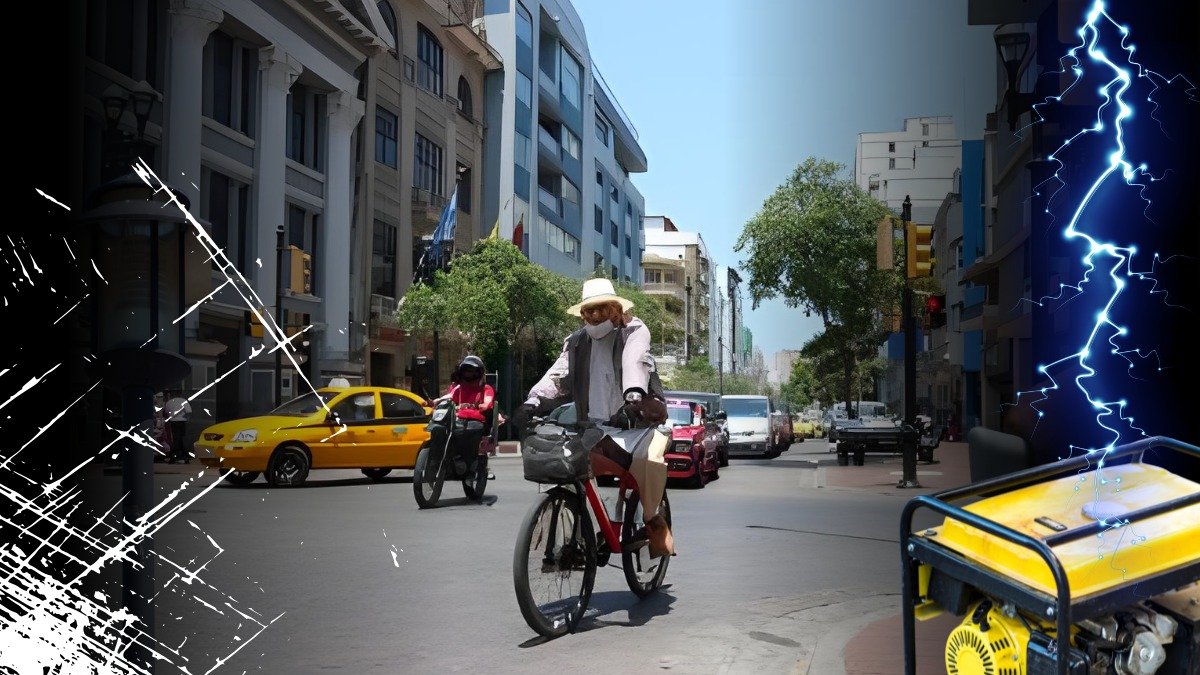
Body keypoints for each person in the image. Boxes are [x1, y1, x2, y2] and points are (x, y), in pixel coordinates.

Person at [514, 278, 674, 557]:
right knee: (565, 465)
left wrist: (634, 394)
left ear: (615, 309)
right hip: (593, 428)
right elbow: (558, 375)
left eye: (601, 309)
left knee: (649, 462)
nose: (595, 315)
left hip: (636, 426)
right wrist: (533, 401)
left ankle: (652, 521)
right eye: (589, 310)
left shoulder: (633, 331)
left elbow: (635, 359)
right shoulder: (576, 342)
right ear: (582, 314)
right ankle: (574, 537)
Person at [438, 356, 495, 476]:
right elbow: (448, 398)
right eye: (467, 371)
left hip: (476, 421)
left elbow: (488, 401)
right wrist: (436, 402)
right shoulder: (458, 388)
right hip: (457, 419)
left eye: (473, 371)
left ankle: (474, 463)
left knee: (472, 430)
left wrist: (484, 404)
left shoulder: (486, 388)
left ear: (479, 373)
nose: (470, 374)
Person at [164, 389, 192, 464]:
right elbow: (188, 411)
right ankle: (180, 456)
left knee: (176, 438)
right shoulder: (183, 401)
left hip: (173, 422)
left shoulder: (169, 402)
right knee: (179, 439)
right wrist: (187, 420)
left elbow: (166, 411)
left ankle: (179, 455)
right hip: (182, 421)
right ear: (180, 393)